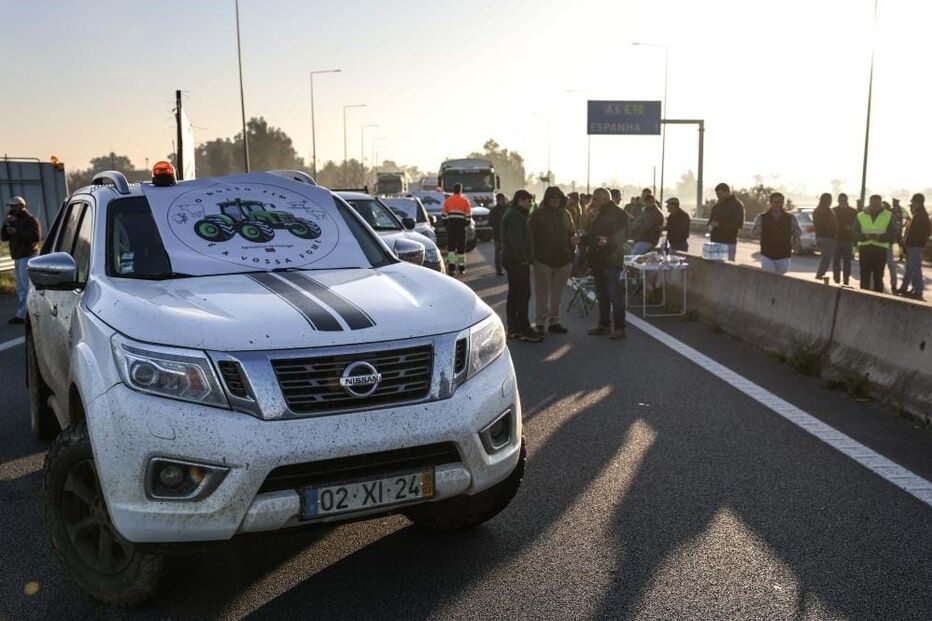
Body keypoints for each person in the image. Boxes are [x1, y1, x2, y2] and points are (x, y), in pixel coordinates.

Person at [529, 187, 576, 335]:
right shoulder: (537, 215)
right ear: (547, 199)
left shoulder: (566, 214)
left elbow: (572, 234)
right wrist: (532, 257)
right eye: (552, 198)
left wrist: (571, 252)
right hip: (542, 260)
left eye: (558, 198)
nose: (555, 201)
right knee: (542, 293)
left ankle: (555, 321)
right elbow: (530, 237)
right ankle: (540, 323)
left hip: (563, 260)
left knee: (558, 294)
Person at [585, 188, 629, 340]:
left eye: (594, 198)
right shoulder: (598, 214)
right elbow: (593, 237)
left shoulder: (619, 213)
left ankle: (619, 328)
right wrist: (582, 240)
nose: (592, 201)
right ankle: (603, 325)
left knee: (614, 295)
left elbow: (625, 235)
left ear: (603, 199)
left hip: (611, 260)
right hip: (598, 260)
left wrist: (608, 241)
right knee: (602, 294)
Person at [501, 190, 541, 343]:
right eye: (528, 201)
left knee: (515, 293)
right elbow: (516, 240)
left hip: (513, 259)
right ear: (520, 200)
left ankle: (513, 327)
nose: (530, 204)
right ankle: (524, 328)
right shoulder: (514, 216)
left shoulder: (515, 214)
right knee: (524, 293)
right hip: (517, 261)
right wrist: (524, 259)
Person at [1, 196, 41, 325]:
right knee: (21, 288)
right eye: (10, 207)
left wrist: (17, 232)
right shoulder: (13, 221)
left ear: (20, 206)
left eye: (13, 206)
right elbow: (4, 237)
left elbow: (35, 237)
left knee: (27, 287)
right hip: (18, 258)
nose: (11, 209)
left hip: (28, 256)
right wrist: (6, 223)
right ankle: (25, 313)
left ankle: (24, 315)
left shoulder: (31, 220)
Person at [853, 195, 896, 292]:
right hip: (865, 250)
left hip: (880, 251)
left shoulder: (888, 215)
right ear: (869, 203)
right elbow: (855, 232)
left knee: (878, 278)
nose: (874, 206)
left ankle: (878, 301)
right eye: (872, 204)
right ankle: (863, 299)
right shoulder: (860, 215)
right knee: (864, 278)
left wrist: (881, 237)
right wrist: (865, 236)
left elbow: (893, 233)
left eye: (876, 204)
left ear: (881, 204)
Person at [751, 192, 801, 275]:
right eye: (775, 202)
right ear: (771, 203)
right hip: (767, 254)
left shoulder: (790, 218)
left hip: (784, 255)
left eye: (780, 202)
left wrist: (792, 231)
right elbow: (753, 232)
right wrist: (761, 229)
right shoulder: (762, 217)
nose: (778, 205)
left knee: (781, 278)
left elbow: (799, 232)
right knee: (769, 277)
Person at [898, 193, 930, 300]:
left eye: (913, 202)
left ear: (917, 202)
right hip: (914, 246)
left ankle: (918, 290)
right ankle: (905, 288)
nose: (912, 204)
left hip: (915, 246)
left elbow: (917, 233)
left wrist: (909, 244)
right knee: (909, 269)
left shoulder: (920, 215)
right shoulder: (920, 214)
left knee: (915, 269)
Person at [708, 182, 745, 261]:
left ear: (727, 192)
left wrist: (719, 224)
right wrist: (710, 225)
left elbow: (738, 224)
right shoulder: (716, 206)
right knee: (714, 270)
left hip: (728, 243)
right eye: (717, 195)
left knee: (727, 270)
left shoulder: (737, 205)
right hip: (715, 242)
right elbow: (711, 221)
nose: (718, 197)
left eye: (720, 194)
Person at [441, 183, 472, 275]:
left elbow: (443, 216)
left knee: (451, 248)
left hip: (451, 227)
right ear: (460, 190)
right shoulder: (465, 201)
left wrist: (447, 225)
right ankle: (461, 268)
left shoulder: (448, 201)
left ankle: (451, 268)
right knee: (461, 249)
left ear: (453, 190)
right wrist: (465, 225)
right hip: (461, 228)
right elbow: (468, 217)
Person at [832, 193, 857, 285]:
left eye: (843, 200)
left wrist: (851, 228)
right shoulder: (834, 211)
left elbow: (856, 224)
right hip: (837, 239)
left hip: (848, 239)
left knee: (847, 262)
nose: (841, 202)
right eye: (840, 201)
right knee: (836, 261)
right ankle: (836, 280)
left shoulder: (853, 211)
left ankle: (846, 281)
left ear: (847, 201)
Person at [812, 192, 837, 280]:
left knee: (824, 258)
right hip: (828, 237)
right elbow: (832, 225)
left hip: (819, 237)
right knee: (826, 259)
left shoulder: (816, 211)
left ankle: (820, 275)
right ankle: (819, 276)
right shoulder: (827, 211)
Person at [885, 199, 905, 290]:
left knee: (890, 264)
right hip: (881, 244)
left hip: (887, 243)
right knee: (889, 264)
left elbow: (896, 227)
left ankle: (893, 283)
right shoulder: (893, 212)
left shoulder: (895, 213)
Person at [489, 192, 508, 276]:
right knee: (498, 253)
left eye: (504, 199)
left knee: (505, 253)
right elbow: (490, 222)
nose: (504, 201)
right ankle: (499, 270)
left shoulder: (507, 209)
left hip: (505, 235)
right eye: (502, 200)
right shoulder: (495, 211)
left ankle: (505, 268)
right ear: (498, 200)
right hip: (498, 235)